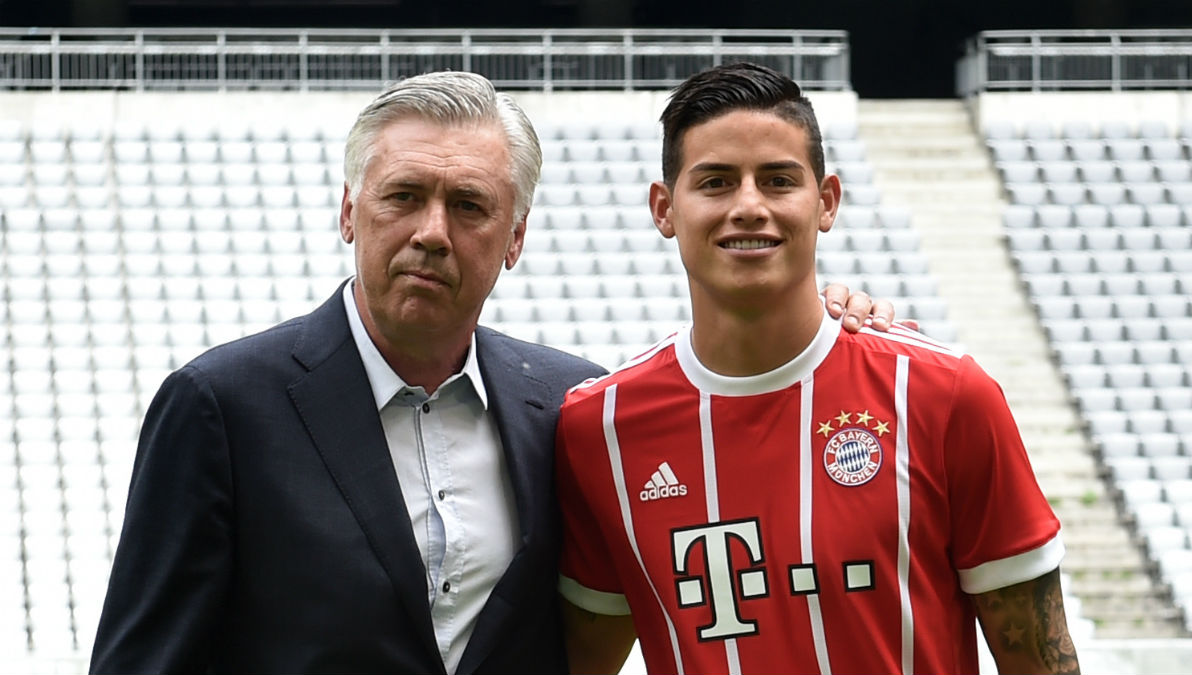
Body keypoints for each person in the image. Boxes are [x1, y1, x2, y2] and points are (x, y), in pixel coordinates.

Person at [90, 70, 891, 673]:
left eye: (469, 206)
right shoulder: (221, 407)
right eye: (403, 196)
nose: (432, 232)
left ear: (514, 238)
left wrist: (837, 323)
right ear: (348, 212)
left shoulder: (574, 408)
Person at [556, 63, 1079, 675]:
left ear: (825, 201)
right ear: (665, 208)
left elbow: (1041, 662)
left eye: (778, 180)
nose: (749, 206)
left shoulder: (943, 396)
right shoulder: (600, 430)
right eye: (717, 182)